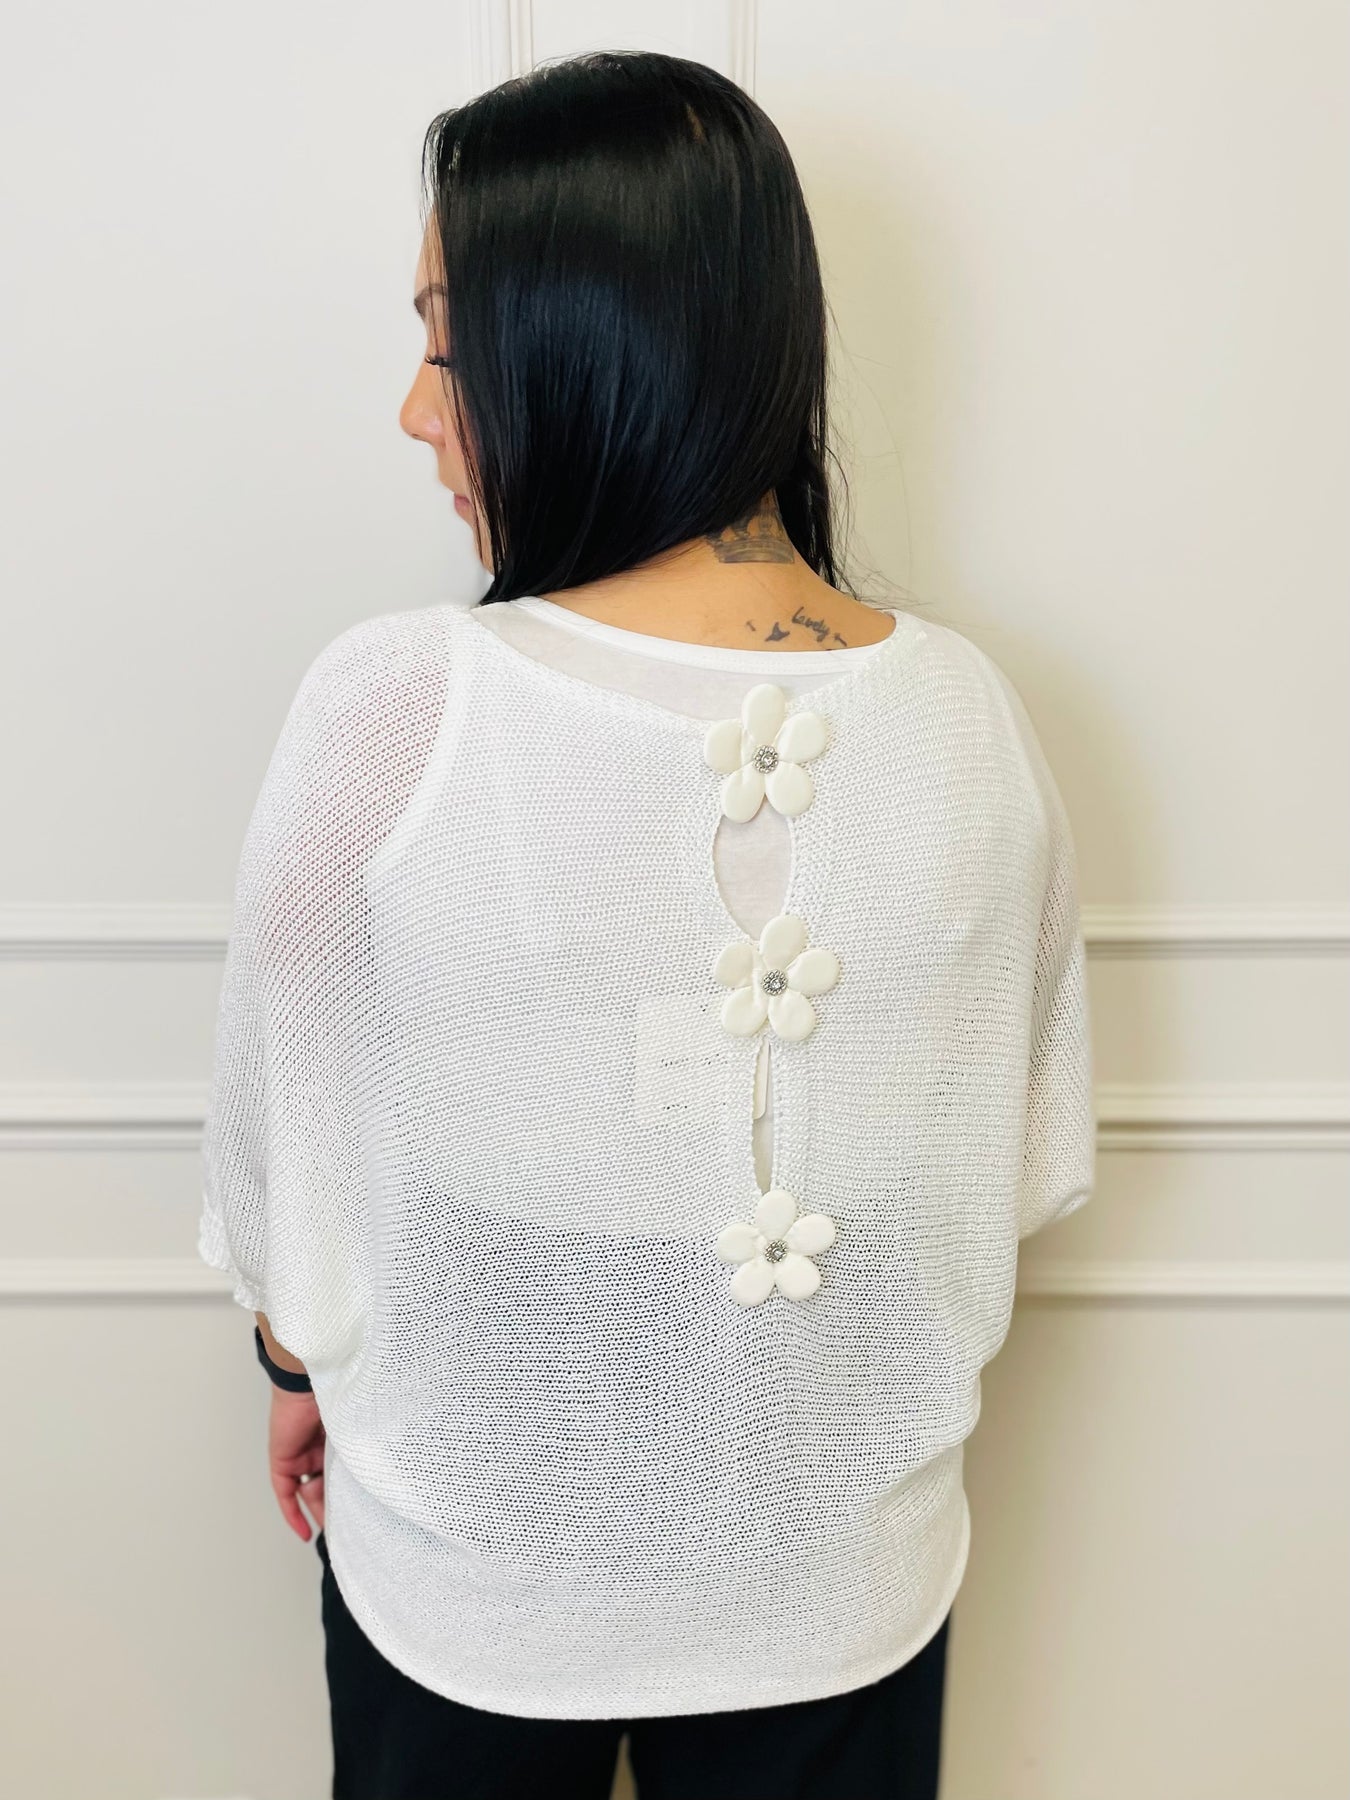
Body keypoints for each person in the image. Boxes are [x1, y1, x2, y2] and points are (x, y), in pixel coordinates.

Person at [200, 48, 1094, 1800]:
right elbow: (1004, 1167)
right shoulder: (968, 717)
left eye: (444, 346)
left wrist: (290, 1358)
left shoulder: (399, 705)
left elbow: (286, 1141)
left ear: (580, 343)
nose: (415, 413)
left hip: (478, 1540)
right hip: (836, 1560)